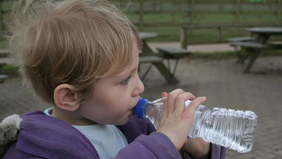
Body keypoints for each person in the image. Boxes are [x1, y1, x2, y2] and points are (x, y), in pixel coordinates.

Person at [0, 0, 225, 158]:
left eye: (136, 72)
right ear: (71, 96)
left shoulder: (132, 127)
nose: (140, 87)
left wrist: (197, 150)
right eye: (125, 79)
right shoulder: (35, 149)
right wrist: (162, 143)